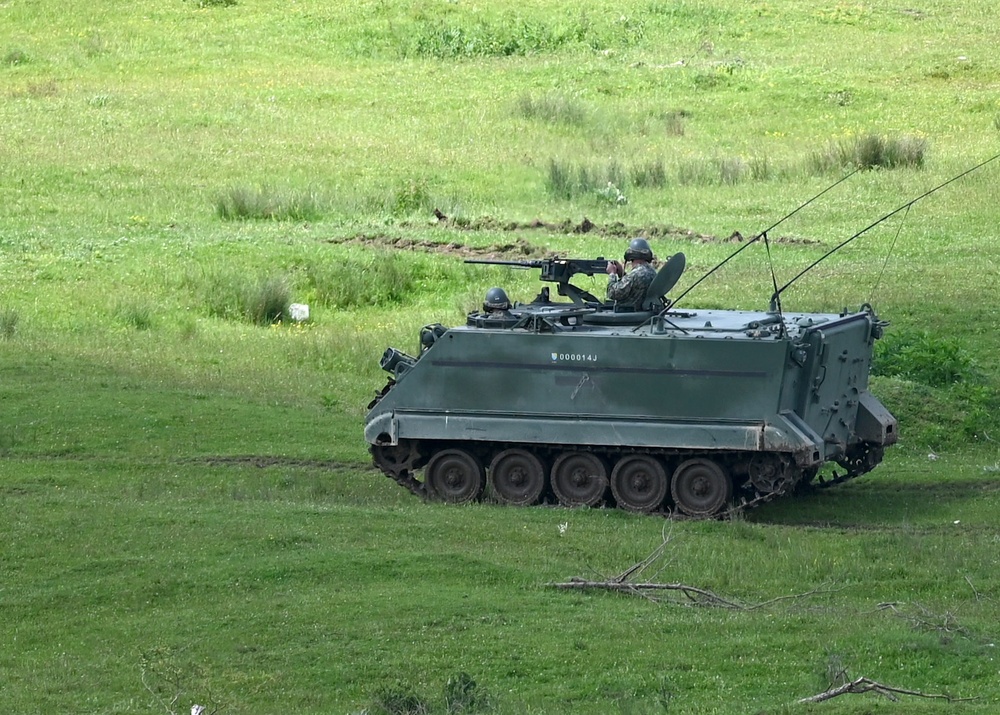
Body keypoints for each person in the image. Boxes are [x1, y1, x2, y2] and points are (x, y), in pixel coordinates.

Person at [606, 237, 656, 308]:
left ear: (630, 256)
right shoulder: (652, 271)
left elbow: (612, 293)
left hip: (629, 315)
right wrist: (621, 273)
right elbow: (633, 285)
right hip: (644, 312)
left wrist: (612, 274)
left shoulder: (635, 274)